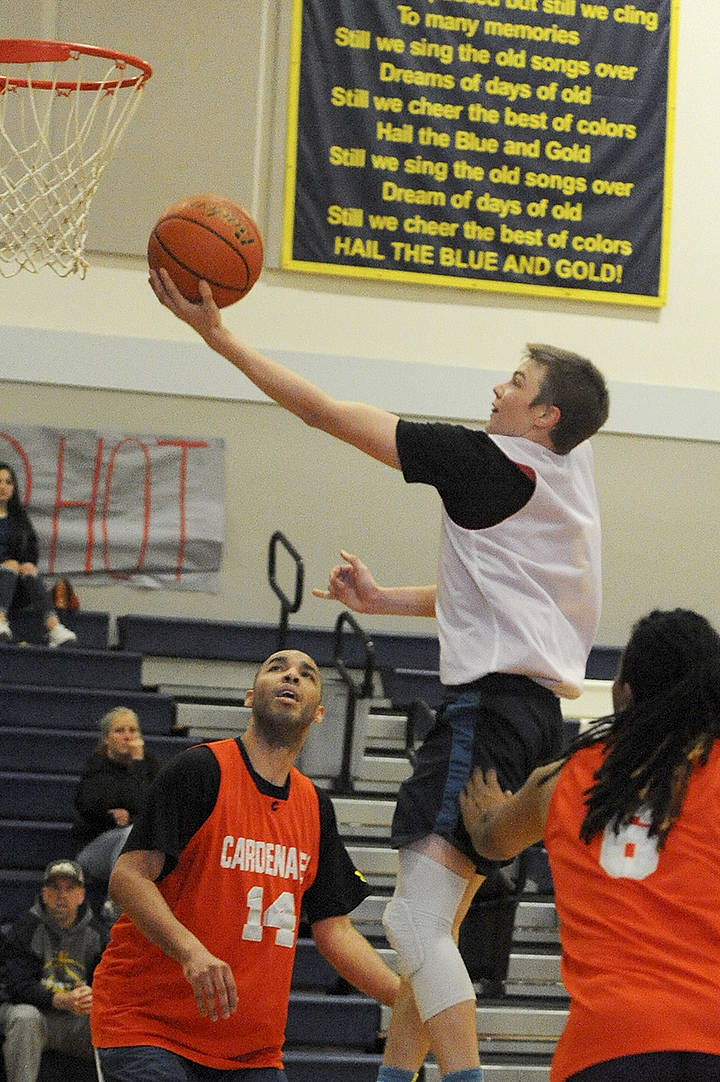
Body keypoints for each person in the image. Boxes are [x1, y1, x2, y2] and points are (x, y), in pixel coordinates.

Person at [149, 268, 609, 1082]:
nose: (498, 387)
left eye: (518, 382)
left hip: (489, 711)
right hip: (532, 712)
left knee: (410, 920)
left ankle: (466, 1079)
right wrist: (383, 597)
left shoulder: (489, 460)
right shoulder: (568, 480)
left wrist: (217, 336)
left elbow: (324, 412)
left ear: (546, 416)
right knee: (434, 926)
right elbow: (500, 596)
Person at [91, 647, 400, 1081]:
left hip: (249, 1051)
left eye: (305, 674)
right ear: (249, 697)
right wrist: (191, 951)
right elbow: (127, 878)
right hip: (148, 1026)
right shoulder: (201, 769)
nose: (290, 676)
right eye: (277, 668)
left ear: (318, 714)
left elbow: (336, 930)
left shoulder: (314, 806)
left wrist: (403, 998)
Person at [460, 607, 720, 1082]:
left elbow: (492, 839)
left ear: (624, 693)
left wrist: (487, 817)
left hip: (606, 1046)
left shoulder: (564, 779)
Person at [2, 860, 107, 1082]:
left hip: (75, 1021)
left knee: (109, 1021)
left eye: (70, 888)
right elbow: (16, 987)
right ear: (44, 894)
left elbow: (111, 985)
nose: (62, 895)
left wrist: (91, 996)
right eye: (55, 888)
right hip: (36, 1015)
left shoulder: (98, 935)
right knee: (25, 1018)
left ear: (81, 895)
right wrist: (60, 999)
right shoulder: (25, 928)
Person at [73, 707, 160, 889]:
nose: (128, 737)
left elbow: (153, 809)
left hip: (141, 847)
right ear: (106, 738)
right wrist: (114, 816)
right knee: (130, 835)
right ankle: (116, 904)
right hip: (95, 849)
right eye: (119, 731)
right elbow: (89, 807)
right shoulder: (96, 766)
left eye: (133, 730)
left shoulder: (150, 765)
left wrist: (137, 764)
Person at [0, 461, 77, 647]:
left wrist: (26, 564)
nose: (3, 486)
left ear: (14, 488)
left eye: (8, 482)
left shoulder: (20, 519)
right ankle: (0, 619)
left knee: (29, 569)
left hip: (13, 586)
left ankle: (54, 628)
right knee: (10, 565)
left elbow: (30, 551)